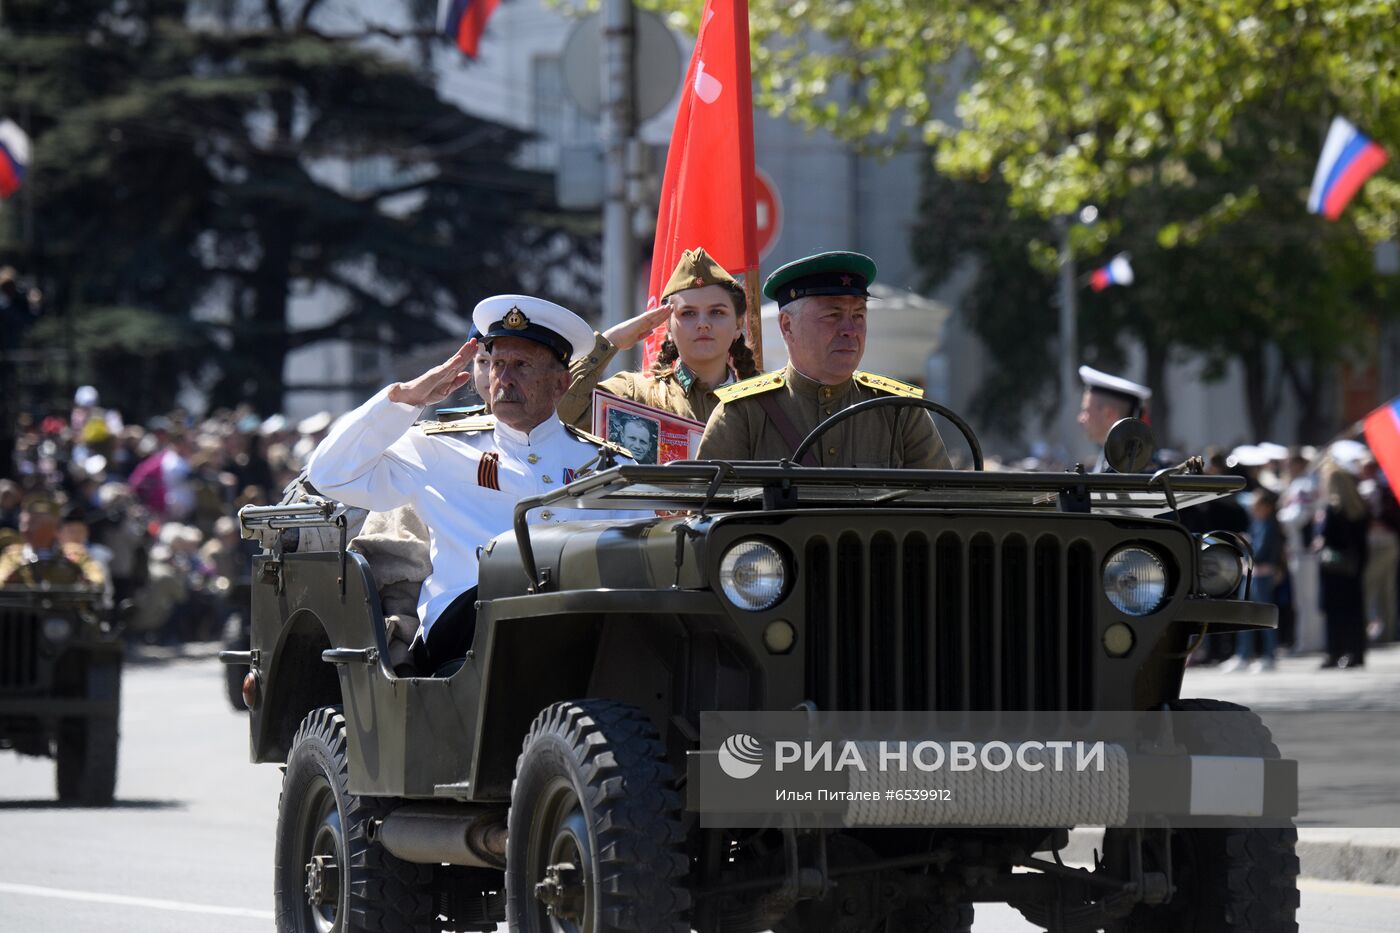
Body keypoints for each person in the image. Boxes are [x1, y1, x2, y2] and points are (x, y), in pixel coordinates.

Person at [307, 295, 632, 674]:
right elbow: (329, 473)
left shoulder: (607, 465)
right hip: (462, 639)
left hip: (575, 633)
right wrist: (403, 401)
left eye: (522, 366)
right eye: (497, 364)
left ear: (560, 384)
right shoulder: (439, 448)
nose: (504, 379)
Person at [697, 251, 950, 467]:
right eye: (833, 315)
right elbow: (707, 514)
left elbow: (944, 509)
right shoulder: (743, 412)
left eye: (859, 316)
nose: (850, 329)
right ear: (787, 326)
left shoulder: (899, 412)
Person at [557, 247, 760, 429]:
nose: (702, 323)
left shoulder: (764, 401)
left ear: (738, 325)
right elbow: (561, 410)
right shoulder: (637, 396)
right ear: (668, 327)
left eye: (717, 312)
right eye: (688, 313)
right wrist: (612, 340)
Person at [1221, 489, 1282, 673]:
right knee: (1244, 616)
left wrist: (1247, 544)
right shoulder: (1259, 522)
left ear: (1267, 507)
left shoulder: (1270, 525)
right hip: (1252, 575)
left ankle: (1269, 656)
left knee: (1263, 618)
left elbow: (1261, 551)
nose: (1254, 510)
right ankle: (1243, 655)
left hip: (1262, 576)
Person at [0, 496, 106, 588]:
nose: (27, 530)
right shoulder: (13, 556)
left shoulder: (75, 554)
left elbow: (97, 579)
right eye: (24, 524)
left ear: (55, 529)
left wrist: (88, 582)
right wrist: (7, 581)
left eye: (35, 524)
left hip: (65, 610)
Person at [1077, 365, 1151, 472]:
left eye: (1086, 411)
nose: (1080, 418)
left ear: (1109, 414)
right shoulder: (1110, 462)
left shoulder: (1128, 468)